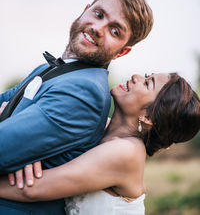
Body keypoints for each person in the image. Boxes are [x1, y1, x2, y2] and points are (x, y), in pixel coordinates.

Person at [0, 0, 153, 214]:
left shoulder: (84, 93)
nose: (98, 28)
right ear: (85, 10)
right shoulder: (49, 68)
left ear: (122, 51)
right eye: (98, 14)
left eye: (114, 31)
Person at [0, 73, 199, 215]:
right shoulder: (100, 126)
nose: (137, 76)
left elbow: (32, 189)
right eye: (147, 75)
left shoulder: (127, 152)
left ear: (148, 117)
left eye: (147, 83)